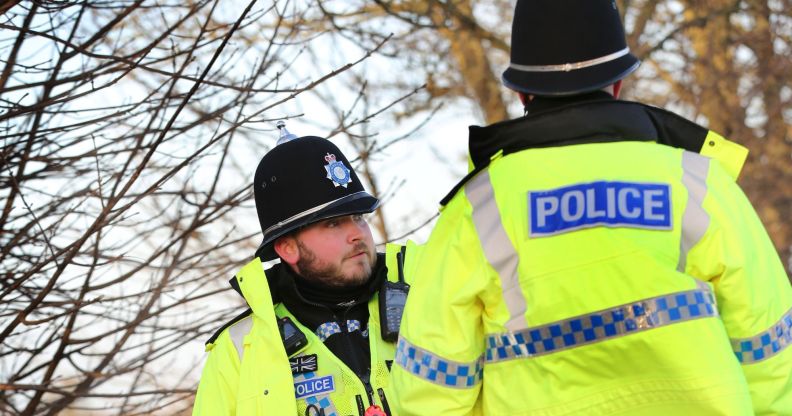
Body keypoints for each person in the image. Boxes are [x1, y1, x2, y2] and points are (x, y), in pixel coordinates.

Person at [390, 0, 792, 414]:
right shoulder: (698, 182)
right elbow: (770, 347)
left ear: (521, 91)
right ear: (618, 83)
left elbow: (431, 387)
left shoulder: (479, 206)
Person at [193, 125, 419, 416]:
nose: (358, 234)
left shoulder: (424, 301)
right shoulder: (238, 350)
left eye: (358, 217)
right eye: (334, 224)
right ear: (288, 248)